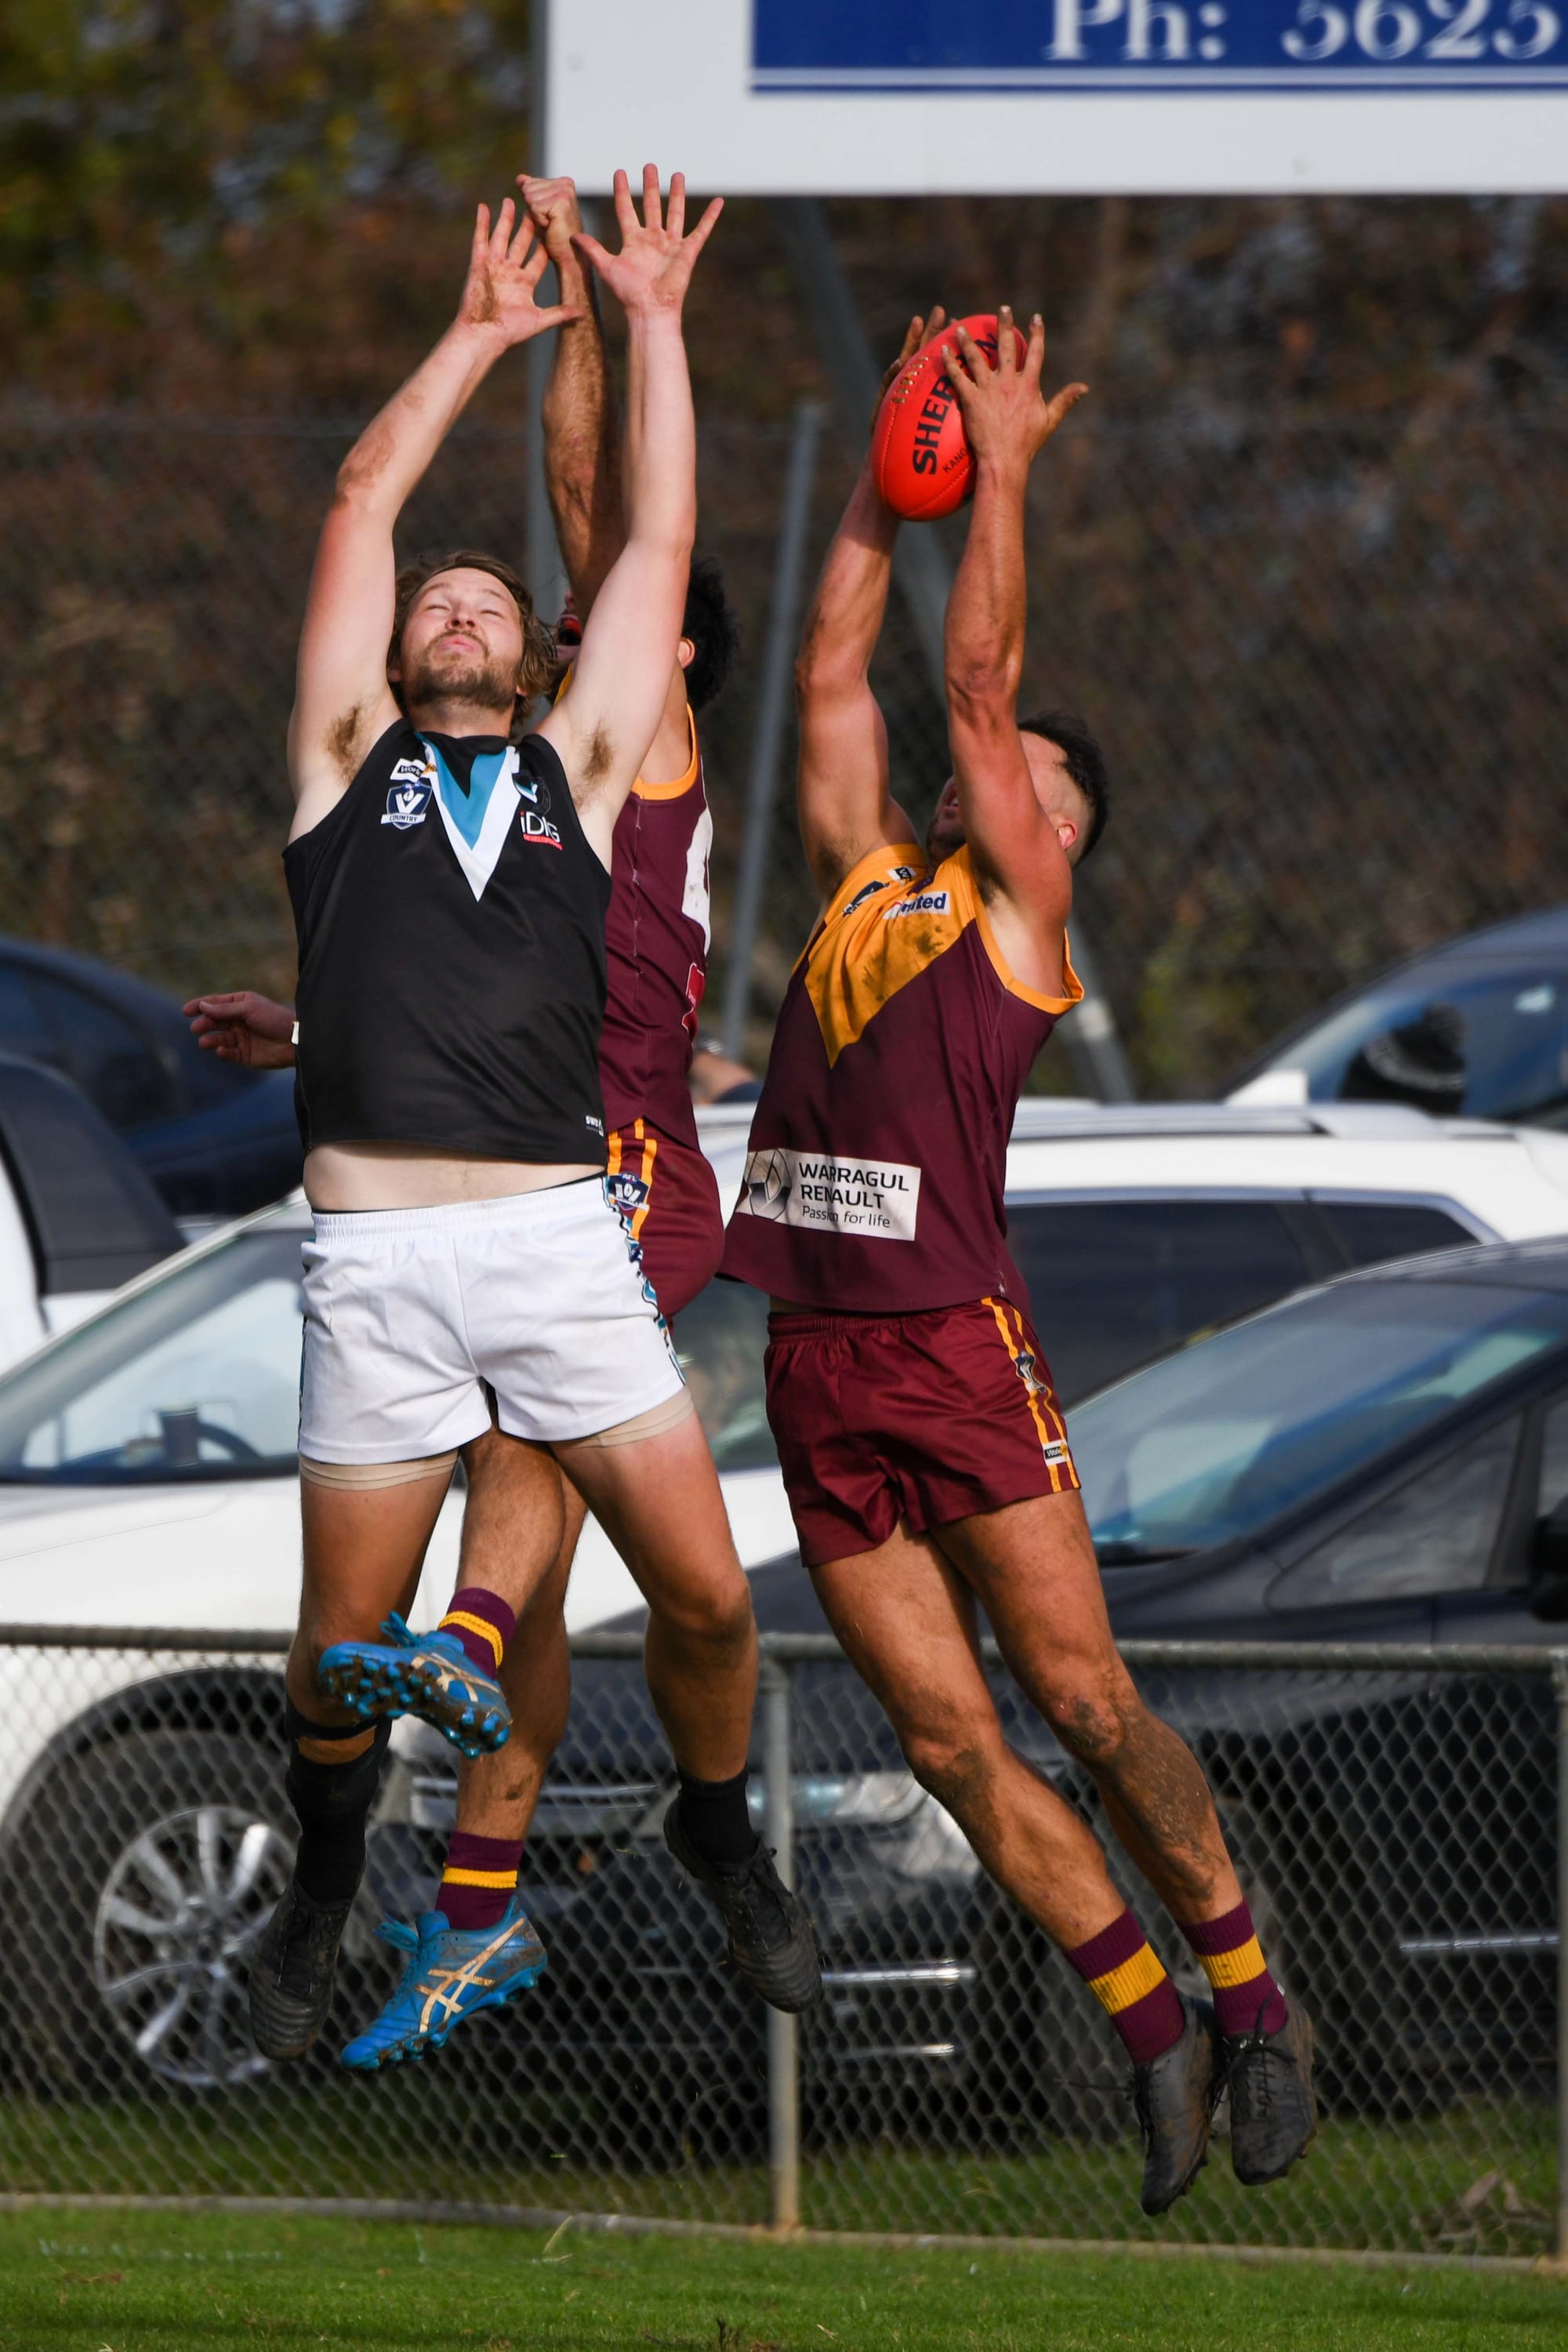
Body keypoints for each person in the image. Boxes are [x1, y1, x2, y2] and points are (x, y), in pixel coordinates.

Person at [720, 305, 1316, 2216]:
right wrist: (892, 491)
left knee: (1082, 1697)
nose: (1002, 777)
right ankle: (1145, 2032)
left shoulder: (1022, 918)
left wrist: (1005, 470)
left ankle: (1252, 1995)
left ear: (1058, 831)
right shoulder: (872, 886)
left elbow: (978, 693)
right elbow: (833, 669)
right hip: (819, 1364)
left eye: (1032, 778)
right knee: (937, 1736)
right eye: (1003, 769)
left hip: (956, 1353)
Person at [241, 168, 818, 2075]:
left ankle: (720, 1827)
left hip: (561, 1238)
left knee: (716, 1604)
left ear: (544, 660)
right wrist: (480, 335)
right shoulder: (346, 766)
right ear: (402, 660)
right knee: (334, 1673)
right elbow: (357, 502)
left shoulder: (584, 763)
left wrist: (651, 315)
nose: (464, 596)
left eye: (490, 595)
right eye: (440, 598)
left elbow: (651, 542)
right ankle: (332, 1874)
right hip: (380, 1257)